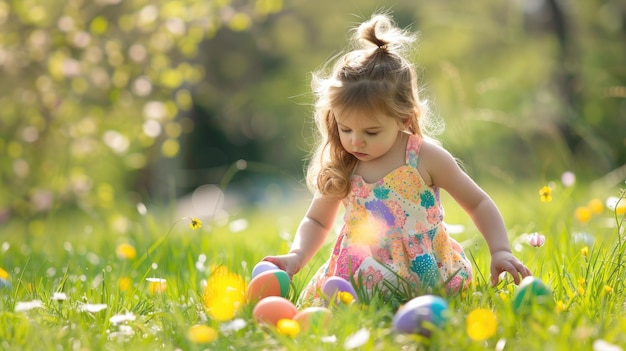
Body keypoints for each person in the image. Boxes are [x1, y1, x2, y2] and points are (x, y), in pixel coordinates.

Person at [263, 13, 531, 305]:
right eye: (345, 128)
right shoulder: (345, 162)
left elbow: (478, 202)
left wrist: (500, 249)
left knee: (422, 310)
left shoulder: (423, 157)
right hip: (358, 275)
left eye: (371, 131)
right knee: (341, 309)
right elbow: (316, 220)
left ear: (403, 117)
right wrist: (296, 256)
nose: (355, 140)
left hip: (424, 277)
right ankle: (354, 307)